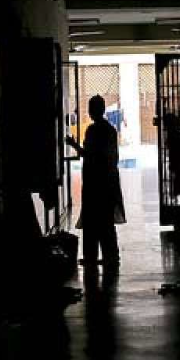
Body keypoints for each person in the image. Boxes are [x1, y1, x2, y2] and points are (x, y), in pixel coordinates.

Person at [66, 95, 126, 269]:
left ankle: (91, 256)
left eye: (91, 108)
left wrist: (74, 145)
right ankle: (110, 256)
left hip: (94, 182)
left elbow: (90, 154)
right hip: (107, 181)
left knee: (92, 221)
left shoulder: (93, 131)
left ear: (93, 110)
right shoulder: (110, 130)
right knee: (105, 221)